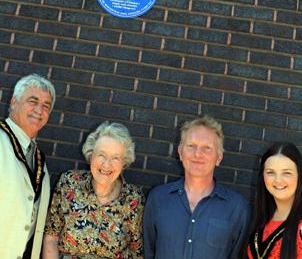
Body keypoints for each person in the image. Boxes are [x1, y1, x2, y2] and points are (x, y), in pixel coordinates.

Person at [144, 115, 250, 259]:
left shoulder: (237, 208)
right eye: (191, 146)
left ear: (219, 157)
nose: (197, 154)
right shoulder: (158, 198)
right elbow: (148, 252)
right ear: (180, 152)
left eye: (207, 148)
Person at [43, 121, 145, 259]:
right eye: (101, 155)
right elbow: (51, 236)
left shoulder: (133, 199)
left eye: (115, 158)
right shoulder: (69, 183)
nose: (106, 164)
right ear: (91, 156)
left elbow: (136, 252)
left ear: (124, 163)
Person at [0, 73, 56, 258]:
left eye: (46, 106)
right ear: (14, 102)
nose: (39, 110)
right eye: (33, 101)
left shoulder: (39, 161)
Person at [246, 142, 302, 259]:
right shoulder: (262, 218)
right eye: (270, 172)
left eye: (287, 173)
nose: (278, 180)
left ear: (300, 175)